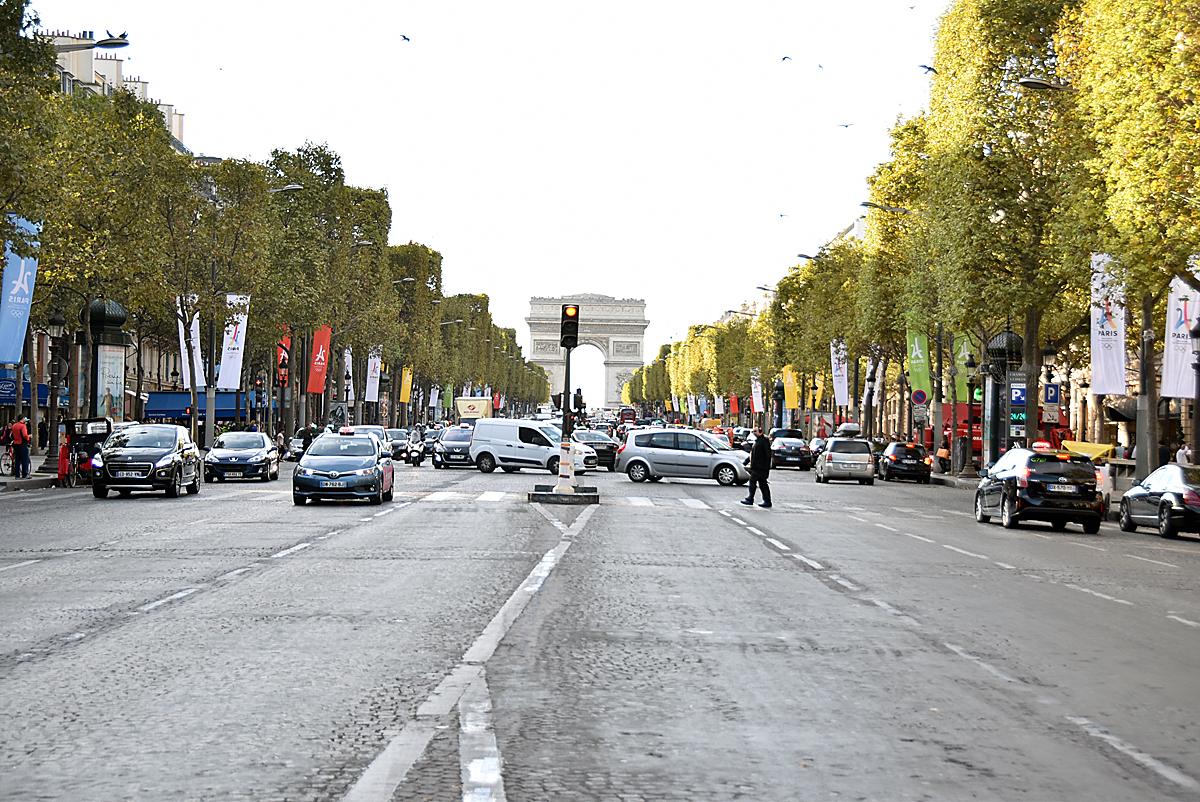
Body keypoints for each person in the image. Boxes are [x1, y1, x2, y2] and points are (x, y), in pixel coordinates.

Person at [741, 425, 772, 509]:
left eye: (755, 431)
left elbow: (768, 455)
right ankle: (767, 501)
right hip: (756, 467)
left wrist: (766, 467)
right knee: (762, 484)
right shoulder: (757, 441)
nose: (753, 433)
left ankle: (751, 499)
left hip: (760, 468)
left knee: (753, 482)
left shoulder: (764, 441)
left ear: (760, 432)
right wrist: (745, 462)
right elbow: (752, 454)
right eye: (753, 431)